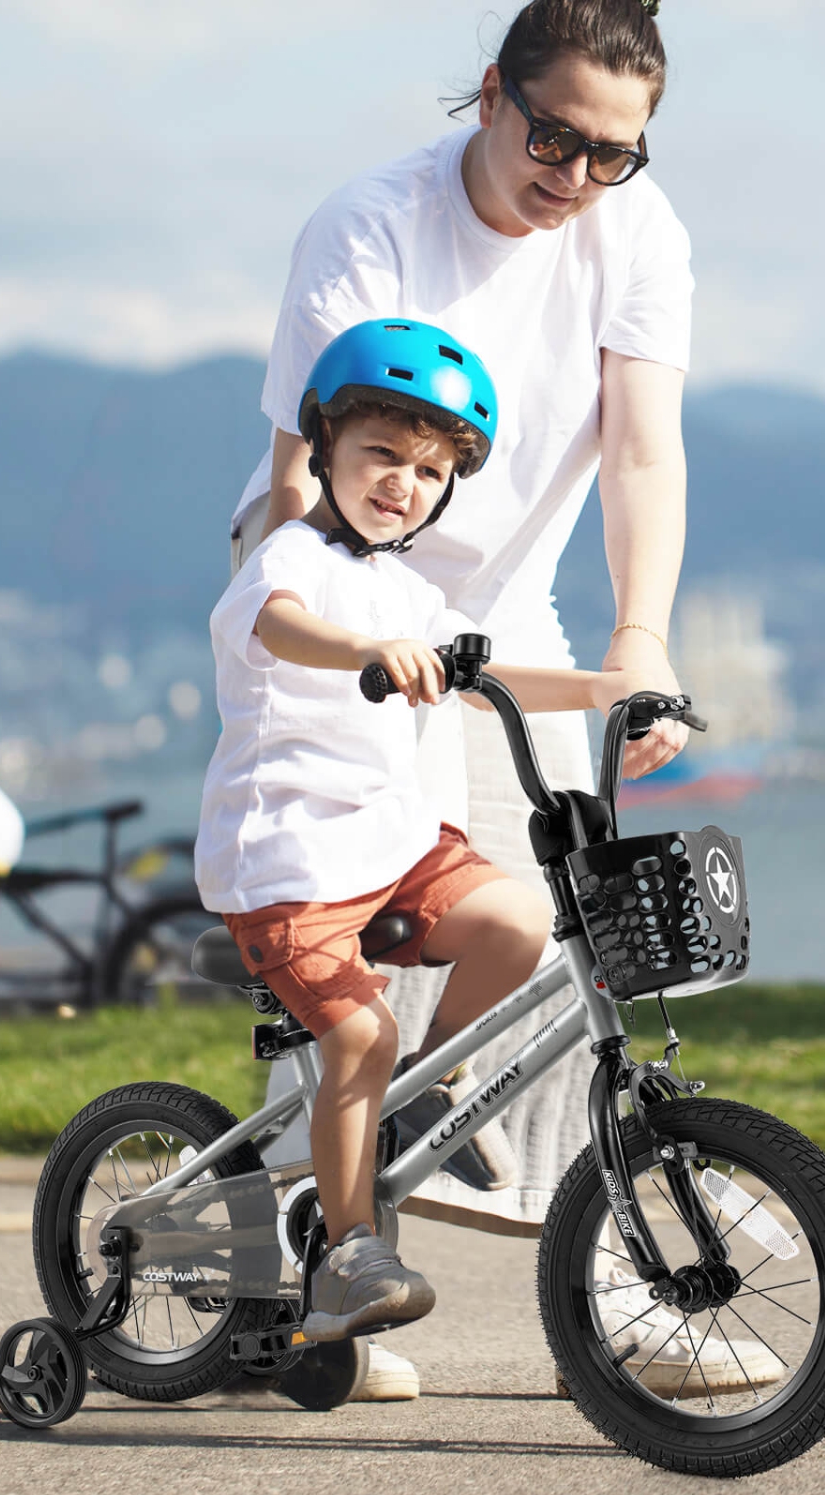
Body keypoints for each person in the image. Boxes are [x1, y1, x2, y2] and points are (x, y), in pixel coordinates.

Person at [230, 0, 692, 1389]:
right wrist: (311, 629)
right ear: (491, 96)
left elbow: (644, 457)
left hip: (499, 618)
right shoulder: (372, 222)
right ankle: (288, 1277)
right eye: (555, 135)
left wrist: (644, 642)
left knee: (566, 942)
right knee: (346, 951)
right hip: (341, 603)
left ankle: (619, 1289)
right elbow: (306, 458)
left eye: (617, 152)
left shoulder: (636, 234)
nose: (577, 174)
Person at [198, 320, 638, 1340]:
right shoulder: (285, 559)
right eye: (382, 455)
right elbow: (285, 628)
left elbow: (488, 680)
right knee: (357, 1030)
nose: (404, 482)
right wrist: (371, 650)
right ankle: (351, 1252)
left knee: (516, 921)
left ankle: (422, 1089)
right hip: (288, 865)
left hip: (393, 851)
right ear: (326, 452)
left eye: (431, 470)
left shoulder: (412, 590)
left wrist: (610, 687)